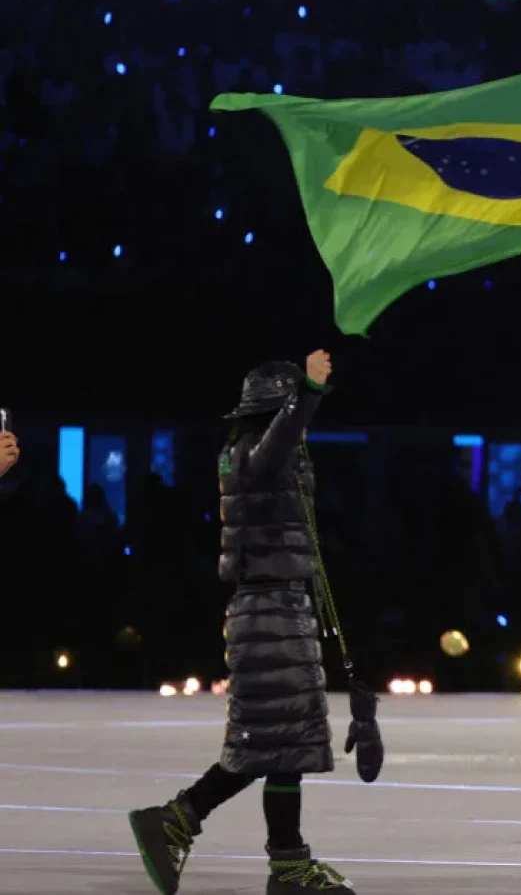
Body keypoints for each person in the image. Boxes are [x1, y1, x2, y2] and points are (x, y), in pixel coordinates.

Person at [129, 350, 355, 894]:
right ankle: (186, 821)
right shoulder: (258, 453)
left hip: (273, 609)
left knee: (283, 742)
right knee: (276, 739)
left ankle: (280, 860)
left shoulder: (244, 455)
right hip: (270, 613)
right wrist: (310, 391)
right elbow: (281, 441)